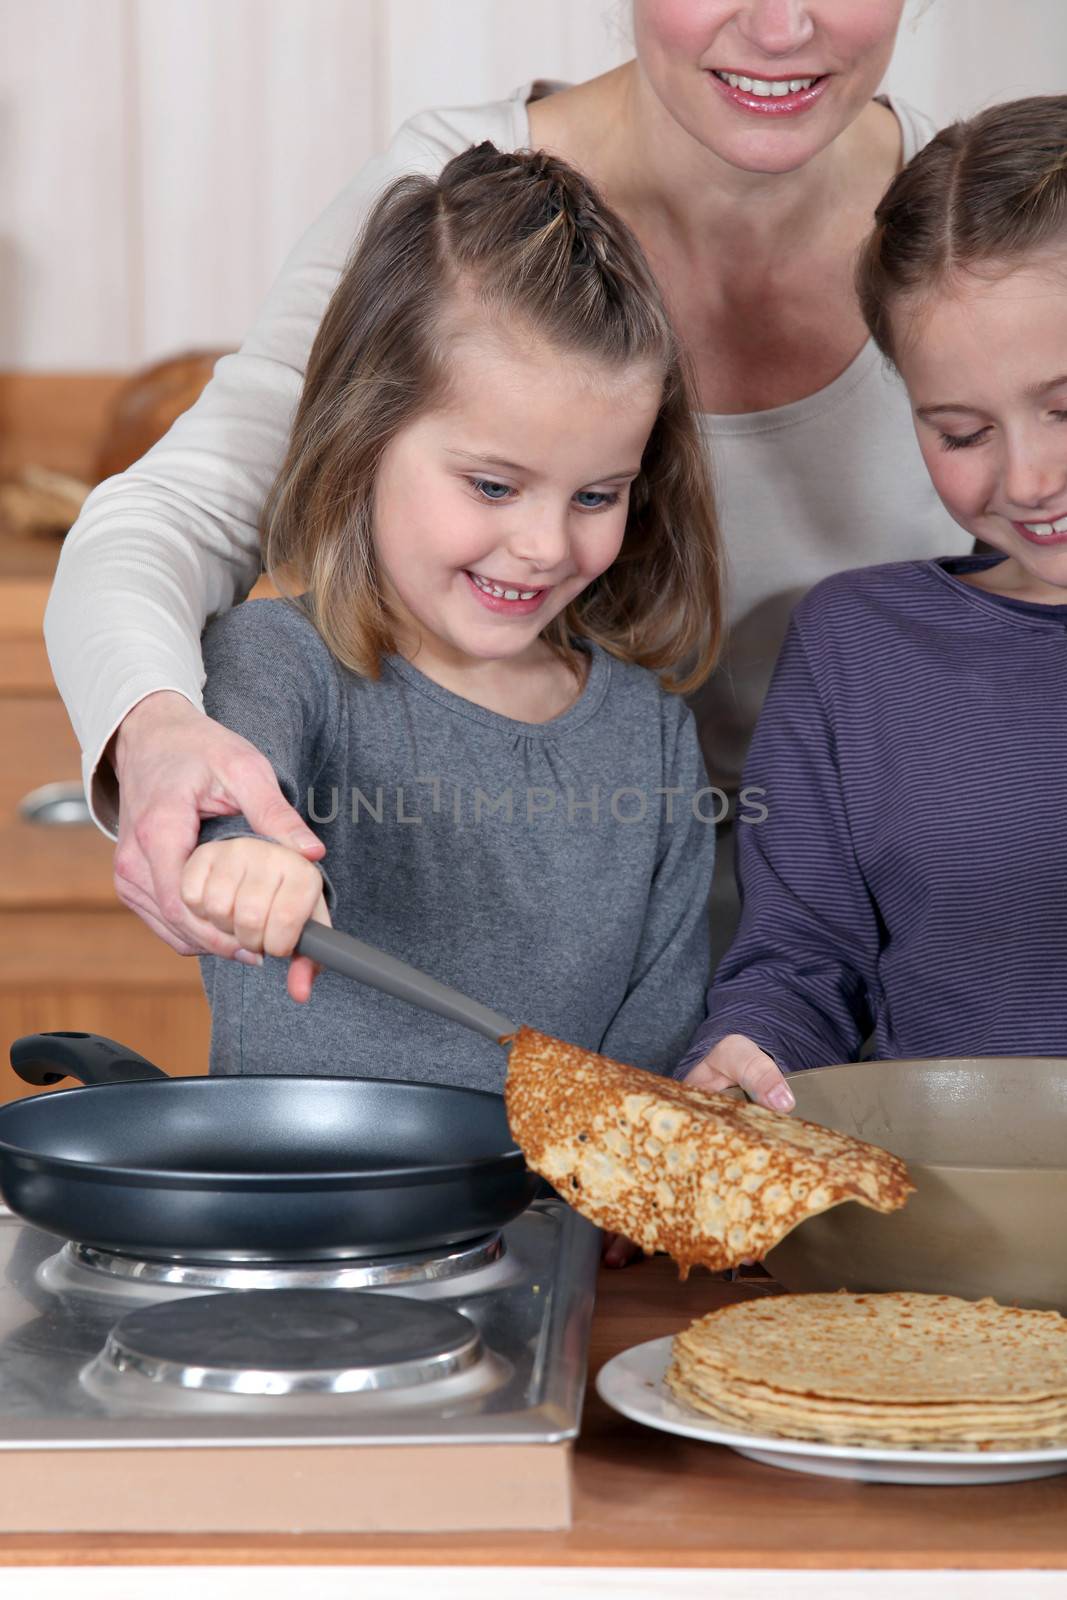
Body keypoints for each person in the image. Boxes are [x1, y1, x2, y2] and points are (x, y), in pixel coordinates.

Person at [44, 1, 968, 1110]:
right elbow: (175, 541)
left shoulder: (978, 222)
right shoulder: (439, 222)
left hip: (860, 1029)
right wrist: (161, 743)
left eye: (594, 494)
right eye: (493, 485)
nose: (780, 22)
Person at [178, 142, 720, 1112]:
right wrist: (242, 857)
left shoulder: (650, 730)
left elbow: (656, 1023)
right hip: (304, 1227)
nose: (544, 544)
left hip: (548, 1231)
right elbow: (228, 801)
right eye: (492, 485)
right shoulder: (276, 663)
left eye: (596, 494)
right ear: (366, 437)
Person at [680, 94, 1067, 1089]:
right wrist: (745, 1054)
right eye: (959, 432)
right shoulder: (857, 647)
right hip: (933, 1227)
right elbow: (801, 970)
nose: (1025, 479)